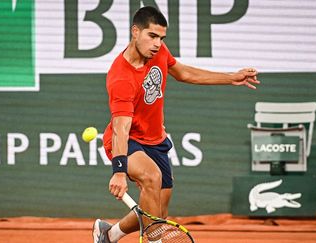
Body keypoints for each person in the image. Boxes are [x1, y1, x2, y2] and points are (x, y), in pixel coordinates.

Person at [93, 6, 260, 243]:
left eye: (161, 38)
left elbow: (184, 73)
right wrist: (119, 171)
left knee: (157, 213)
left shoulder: (157, 53)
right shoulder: (121, 77)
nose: (157, 43)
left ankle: (109, 234)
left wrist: (231, 77)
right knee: (151, 176)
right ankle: (155, 242)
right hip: (127, 140)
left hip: (155, 139)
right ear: (135, 32)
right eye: (152, 36)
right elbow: (121, 128)